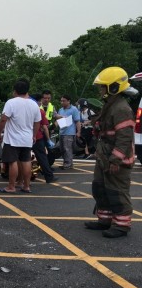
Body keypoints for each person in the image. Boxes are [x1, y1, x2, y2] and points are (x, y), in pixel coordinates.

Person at [85, 67, 136, 238]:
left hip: (115, 159)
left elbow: (124, 138)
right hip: (104, 156)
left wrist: (116, 160)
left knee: (117, 191)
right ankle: (105, 220)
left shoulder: (121, 109)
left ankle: (121, 225)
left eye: (102, 87)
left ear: (113, 87)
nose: (100, 90)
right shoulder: (110, 105)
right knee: (100, 188)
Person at [0, 78, 41, 193]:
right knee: (26, 161)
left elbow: (3, 119)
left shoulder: (11, 102)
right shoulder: (34, 104)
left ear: (15, 91)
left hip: (12, 139)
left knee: (12, 162)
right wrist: (34, 135)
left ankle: (11, 186)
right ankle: (26, 186)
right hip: (27, 138)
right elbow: (37, 123)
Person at [32, 93, 58, 183]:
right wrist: (48, 139)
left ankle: (22, 180)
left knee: (23, 159)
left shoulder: (22, 109)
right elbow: (44, 127)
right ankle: (49, 177)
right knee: (42, 158)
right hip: (38, 137)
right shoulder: (40, 111)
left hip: (24, 137)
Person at [55, 95, 81, 169]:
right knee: (62, 148)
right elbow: (58, 120)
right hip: (62, 132)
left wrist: (78, 132)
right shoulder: (61, 110)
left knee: (67, 149)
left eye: (64, 101)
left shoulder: (74, 109)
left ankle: (68, 164)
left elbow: (77, 122)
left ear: (68, 101)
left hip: (69, 133)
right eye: (61, 101)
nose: (62, 102)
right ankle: (66, 162)